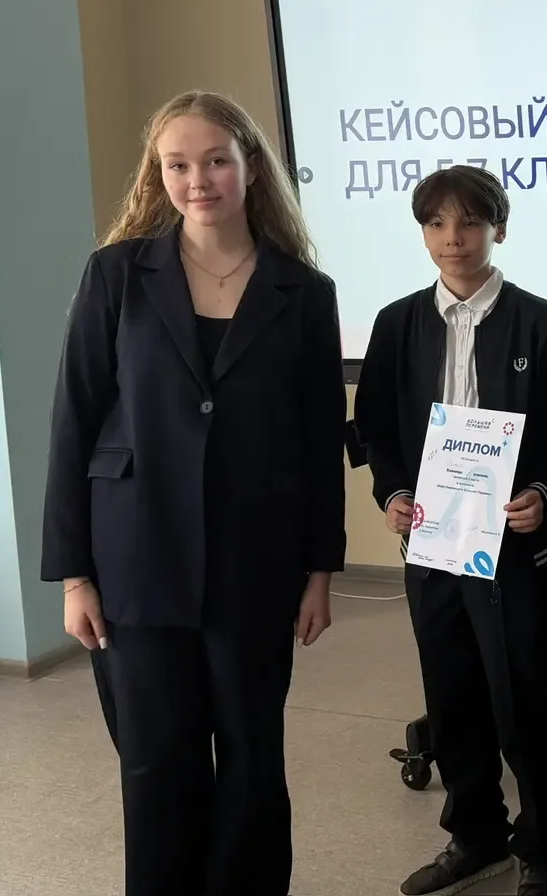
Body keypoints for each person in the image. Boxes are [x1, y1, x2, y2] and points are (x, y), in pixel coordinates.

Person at [41, 90, 345, 896]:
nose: (197, 180)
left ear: (251, 168)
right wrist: (74, 577)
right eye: (177, 165)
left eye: (215, 161)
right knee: (155, 763)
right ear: (158, 175)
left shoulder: (303, 291)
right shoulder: (115, 275)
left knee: (252, 758)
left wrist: (319, 570)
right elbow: (73, 424)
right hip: (135, 563)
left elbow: (320, 441)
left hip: (256, 561)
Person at [352, 165, 547, 896]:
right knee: (451, 695)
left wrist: (544, 493)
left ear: (498, 230)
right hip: (434, 542)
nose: (453, 237)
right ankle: (475, 834)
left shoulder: (537, 319)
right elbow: (376, 426)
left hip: (513, 545)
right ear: (423, 232)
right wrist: (392, 492)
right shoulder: (396, 322)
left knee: (523, 699)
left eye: (470, 222)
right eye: (437, 223)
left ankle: (544, 846)